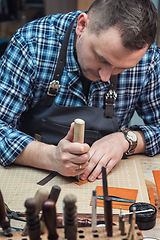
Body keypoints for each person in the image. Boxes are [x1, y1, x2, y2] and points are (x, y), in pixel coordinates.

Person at [0, 0, 159, 182]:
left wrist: (126, 140)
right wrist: (51, 157)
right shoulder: (31, 43)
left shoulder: (149, 60)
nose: (106, 77)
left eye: (121, 68)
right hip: (31, 177)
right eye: (102, 59)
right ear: (82, 25)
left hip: (102, 180)